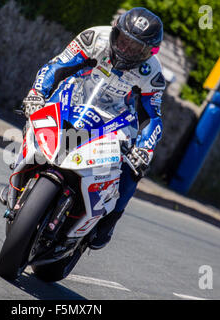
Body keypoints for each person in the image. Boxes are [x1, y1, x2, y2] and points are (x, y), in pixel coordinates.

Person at [20, 7, 166, 249]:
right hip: (74, 99)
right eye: (124, 40)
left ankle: (108, 222)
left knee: (133, 167)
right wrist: (37, 93)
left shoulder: (152, 72)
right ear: (115, 31)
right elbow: (57, 65)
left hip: (116, 120)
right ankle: (20, 175)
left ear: (149, 51)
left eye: (136, 47)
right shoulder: (93, 38)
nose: (127, 49)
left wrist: (144, 149)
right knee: (36, 115)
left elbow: (153, 117)